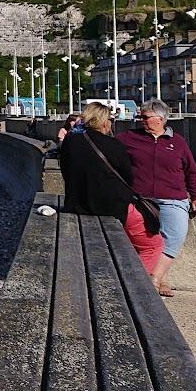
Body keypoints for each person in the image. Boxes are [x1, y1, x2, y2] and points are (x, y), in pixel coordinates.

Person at [58, 103, 163, 275]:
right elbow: (128, 178)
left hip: (78, 204)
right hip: (114, 206)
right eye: (110, 120)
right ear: (104, 122)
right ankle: (133, 283)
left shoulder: (70, 141)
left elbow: (66, 170)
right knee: (152, 245)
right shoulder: (114, 145)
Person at [119, 99, 196, 298]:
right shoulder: (129, 138)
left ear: (160, 119)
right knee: (145, 239)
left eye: (145, 117)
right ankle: (158, 279)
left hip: (172, 198)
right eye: (140, 116)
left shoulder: (177, 142)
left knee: (174, 236)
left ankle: (156, 278)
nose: (140, 120)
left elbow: (191, 172)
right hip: (139, 198)